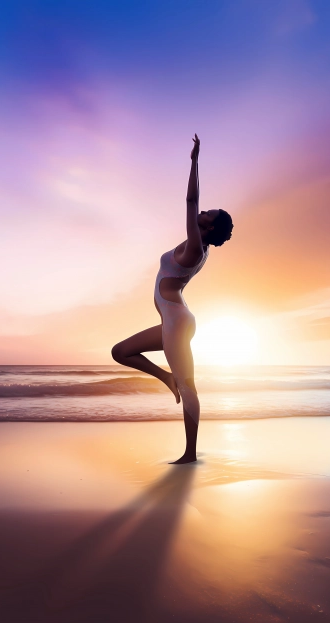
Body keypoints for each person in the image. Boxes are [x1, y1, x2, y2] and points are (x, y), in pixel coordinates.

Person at [111, 135, 233, 463]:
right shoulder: (197, 243)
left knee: (189, 385)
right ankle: (166, 377)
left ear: (207, 227)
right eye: (205, 210)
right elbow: (195, 206)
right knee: (120, 352)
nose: (202, 211)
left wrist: (194, 161)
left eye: (207, 213)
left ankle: (190, 454)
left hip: (177, 321)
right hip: (173, 319)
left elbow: (191, 200)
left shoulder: (196, 246)